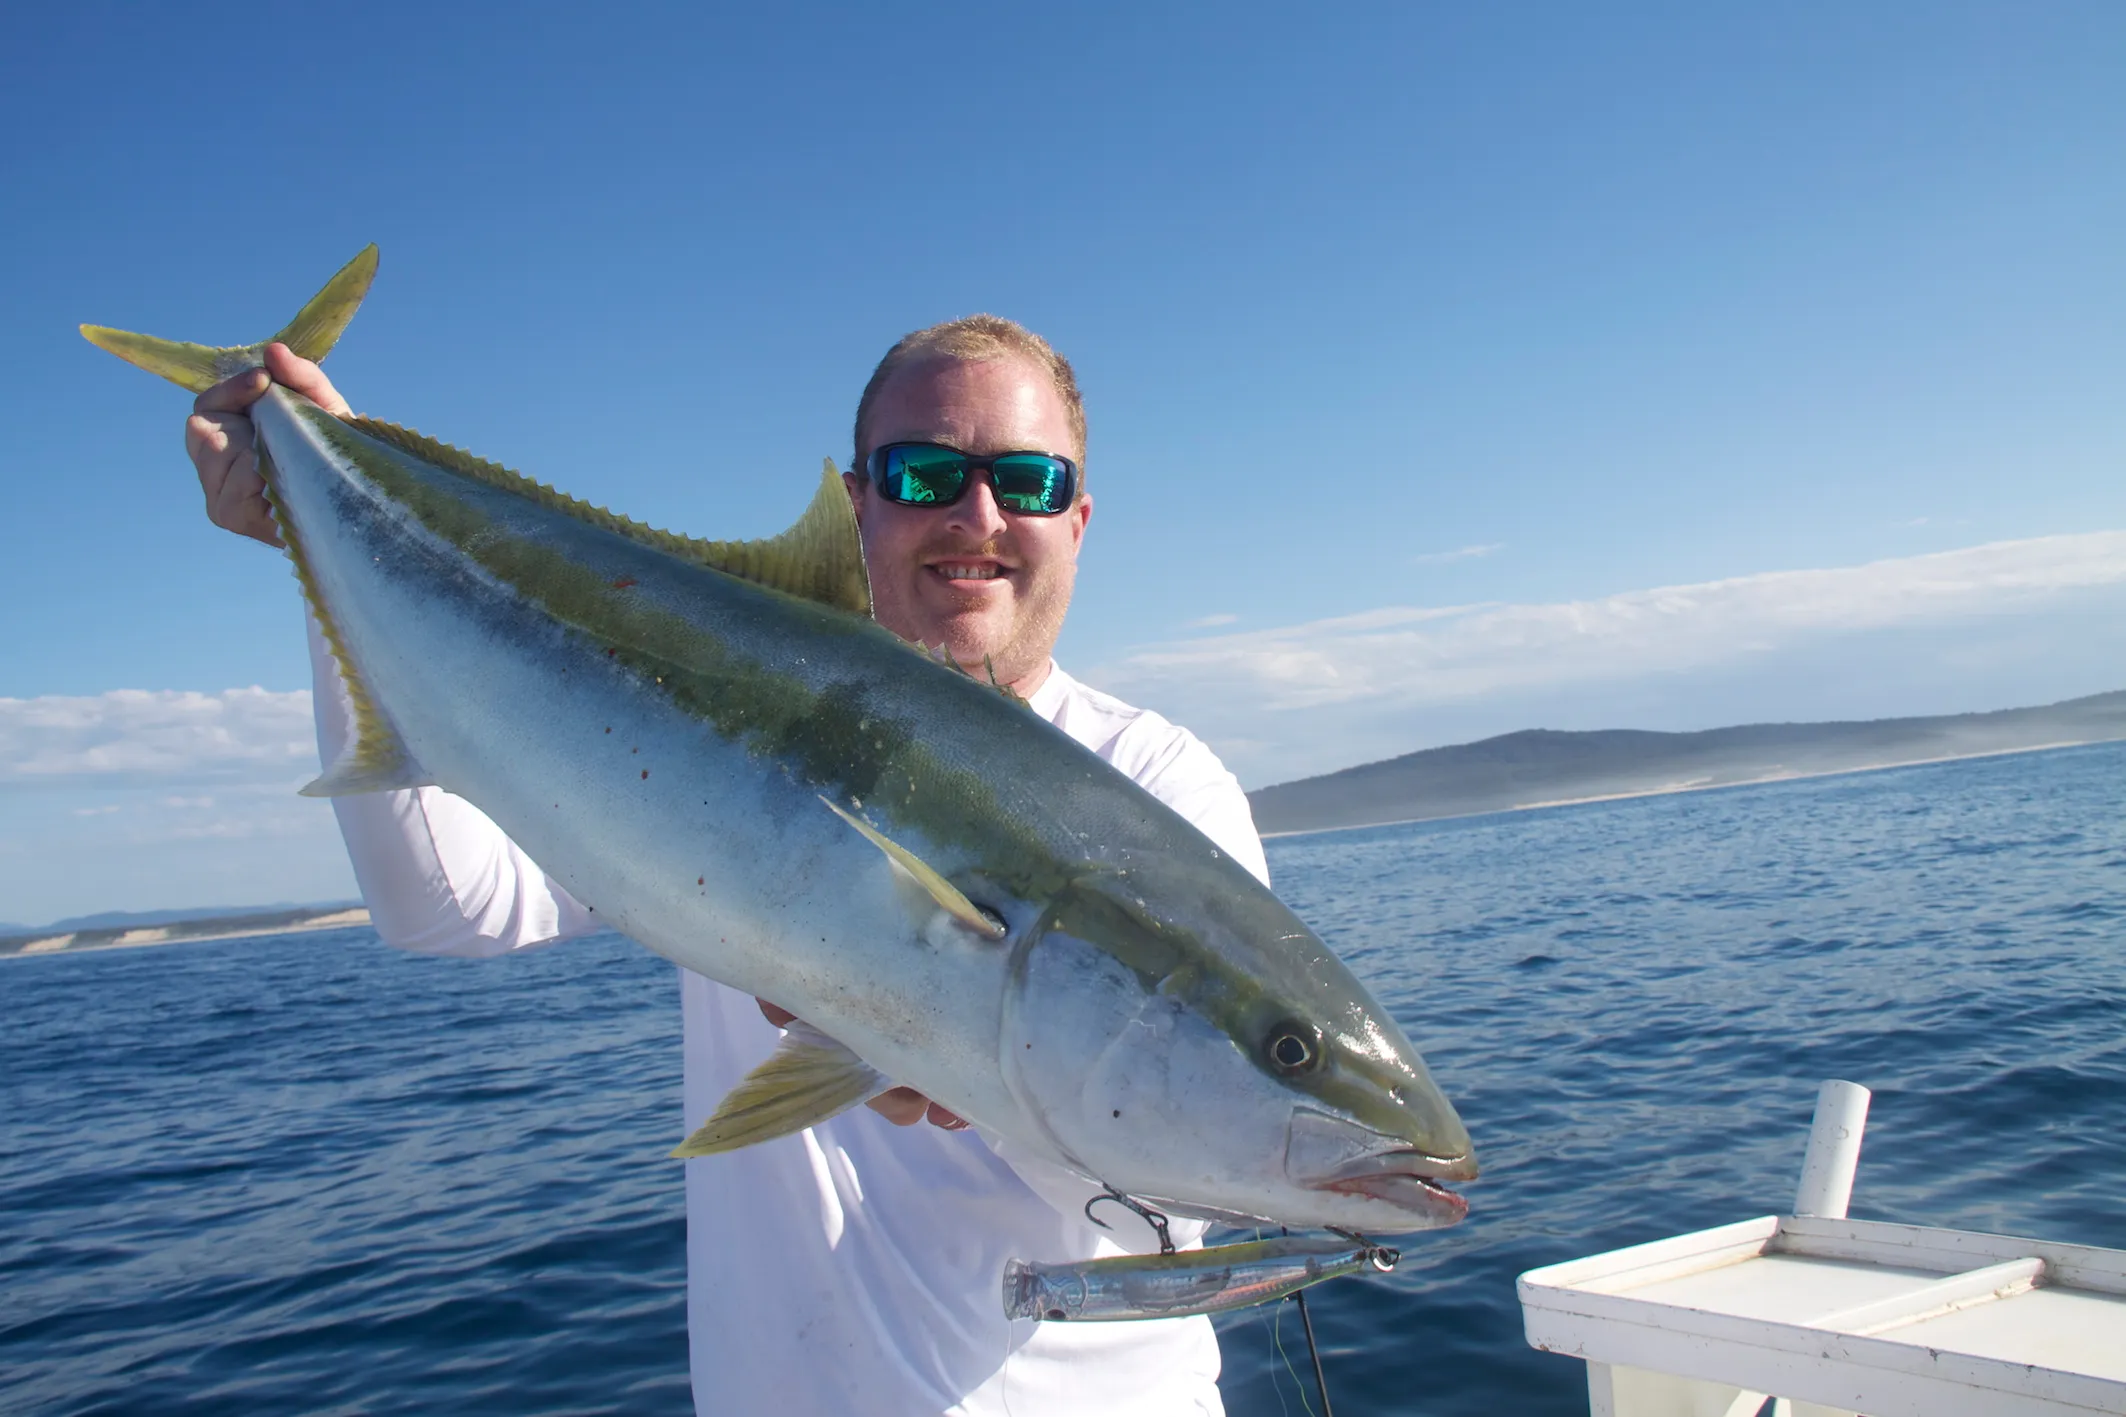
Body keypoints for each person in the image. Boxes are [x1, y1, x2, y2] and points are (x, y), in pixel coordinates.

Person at [186, 317, 1270, 1416]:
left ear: (1076, 519)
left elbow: (1184, 1177)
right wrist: (324, 535)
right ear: (857, 505)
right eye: (925, 472)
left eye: (1027, 481)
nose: (975, 514)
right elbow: (449, 906)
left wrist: (959, 1076)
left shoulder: (1155, 787)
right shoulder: (718, 719)